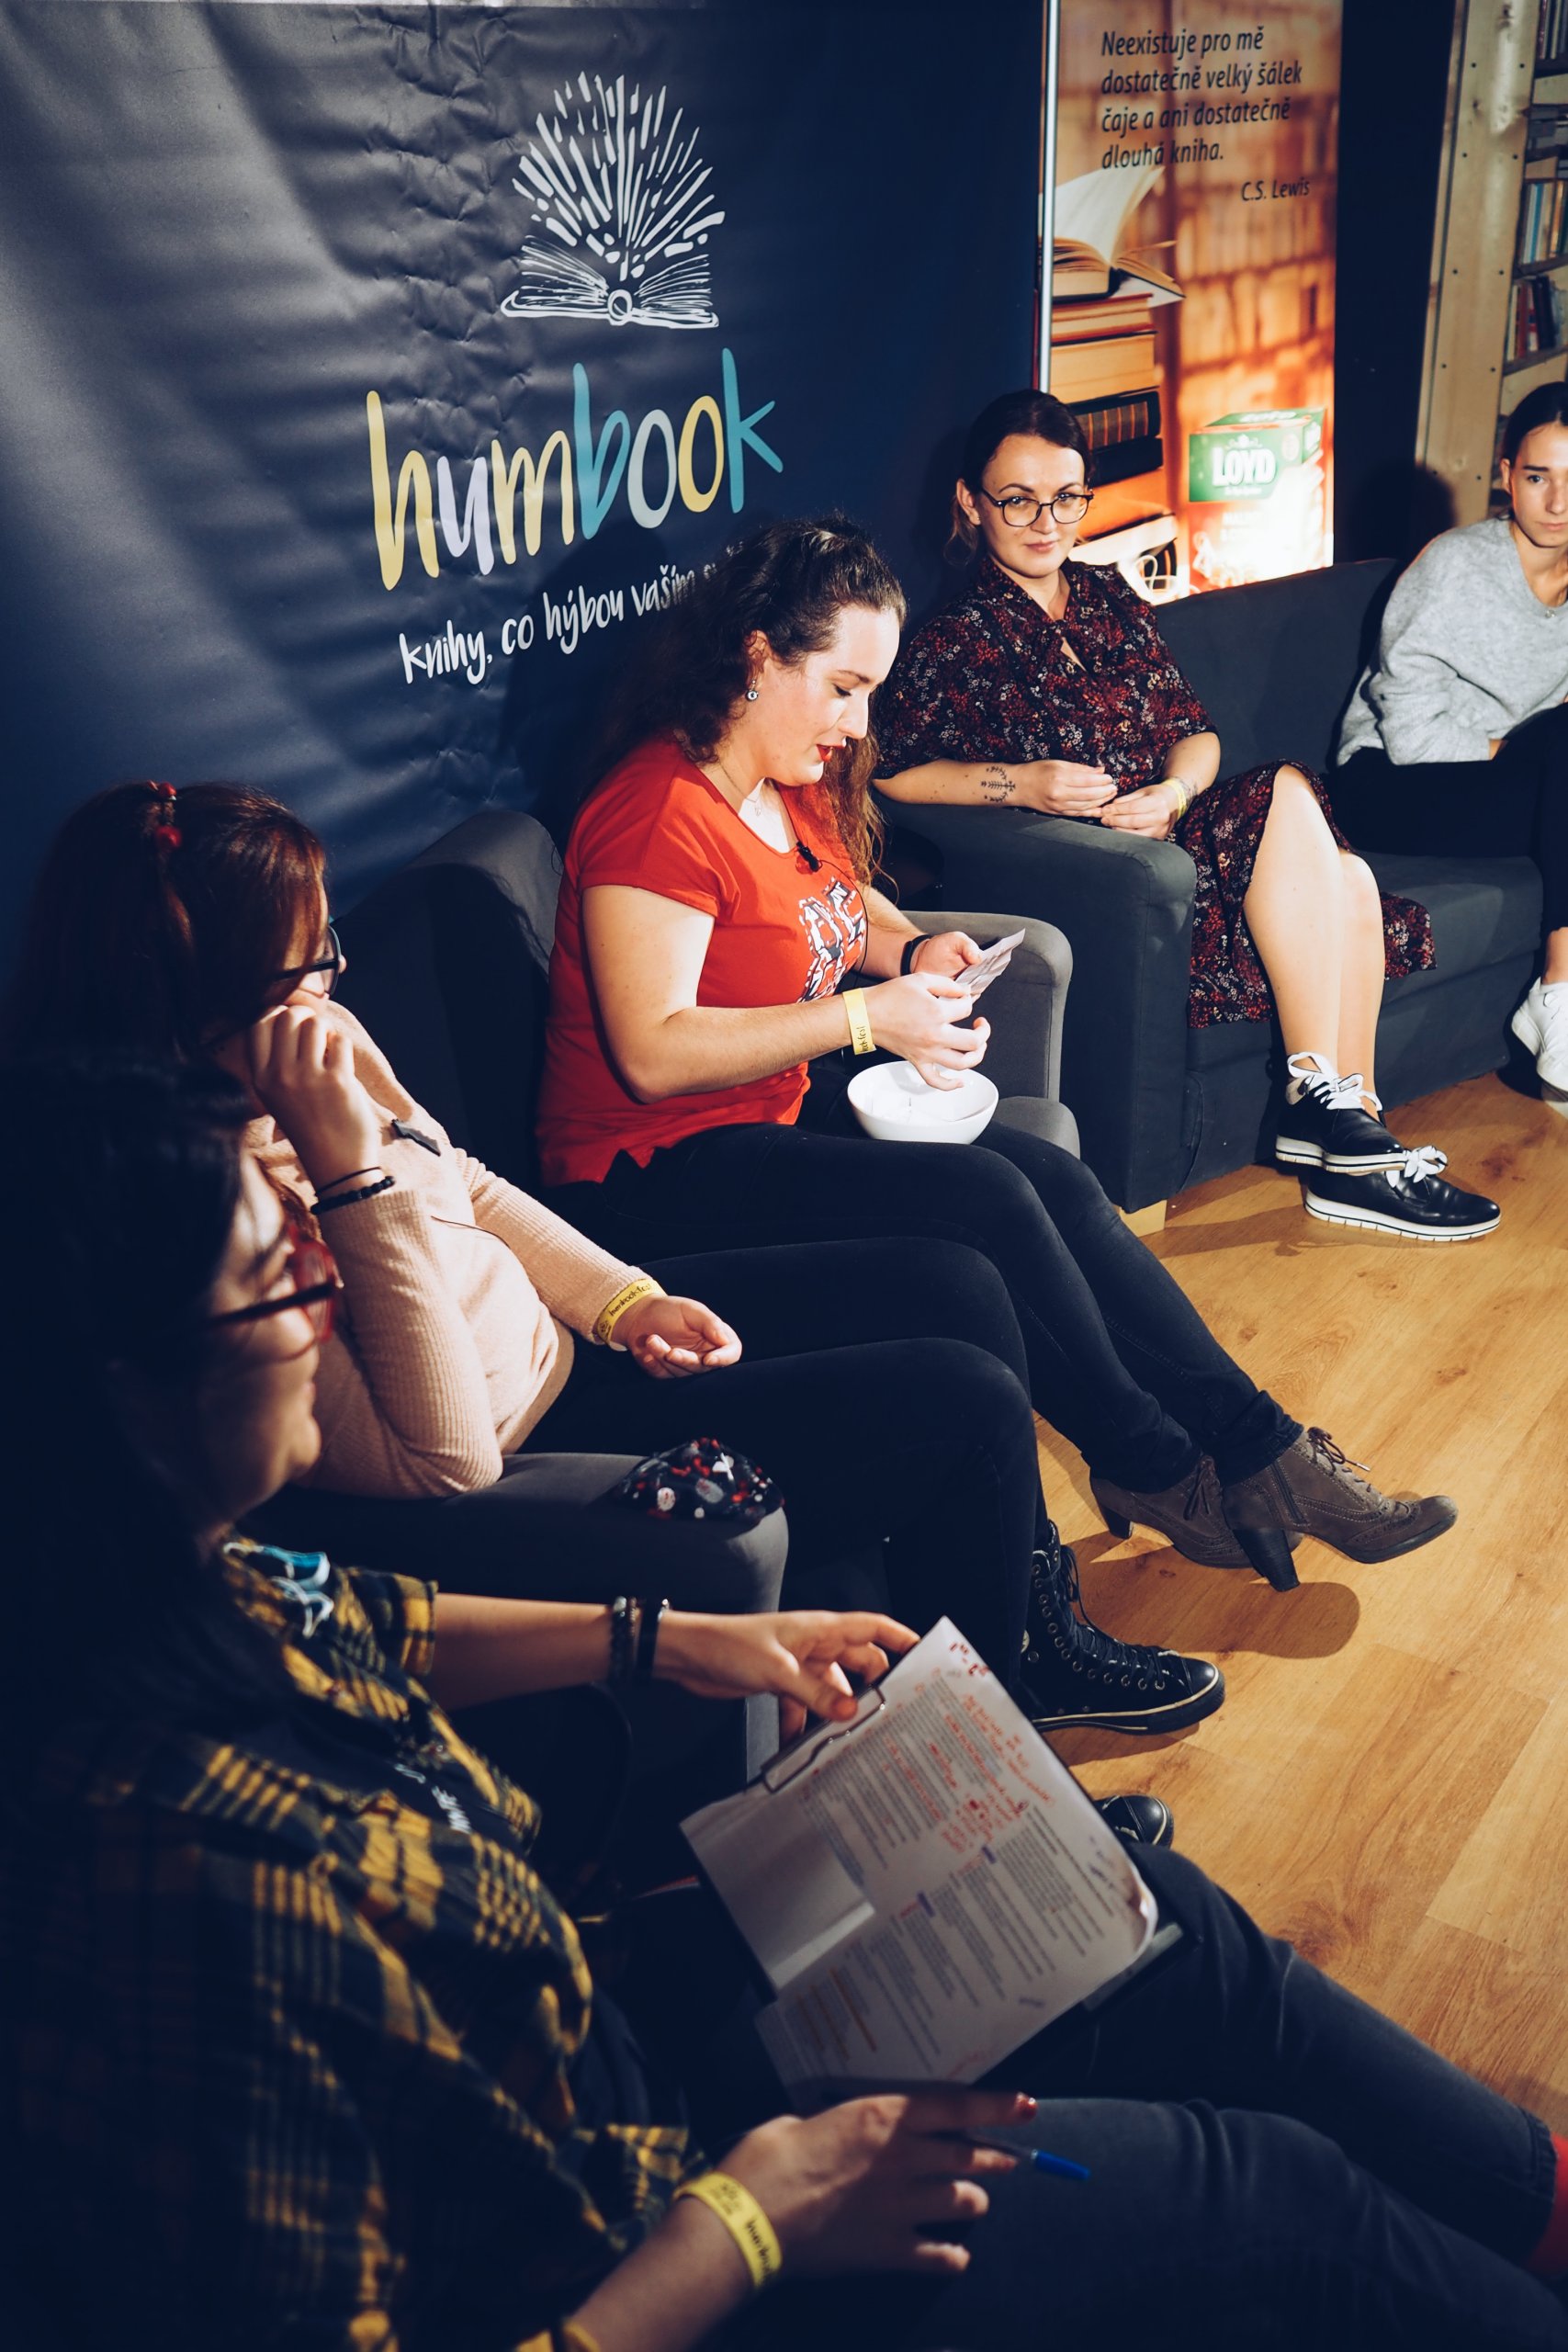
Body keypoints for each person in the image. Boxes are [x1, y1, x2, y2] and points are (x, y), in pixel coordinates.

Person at [7, 1050, 1568, 2352]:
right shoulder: (203, 1884)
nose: (328, 1296)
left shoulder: (185, 1582)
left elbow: (384, 1621)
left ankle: (1538, 2203)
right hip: (640, 2238)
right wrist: (750, 2218)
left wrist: (686, 1643)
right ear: (119, 1388)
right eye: (279, 1279)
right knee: (1265, 2199)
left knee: (1145, 1917)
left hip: (602, 2031)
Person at [4, 779, 1219, 1741]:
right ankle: (978, 1748)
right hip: (526, 1446)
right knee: (962, 1399)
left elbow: (470, 1183)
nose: (333, 983)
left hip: (570, 1351)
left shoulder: (314, 1042)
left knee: (954, 1277)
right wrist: (350, 1175)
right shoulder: (206, 1206)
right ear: (197, 1005)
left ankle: (1028, 1641)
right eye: (303, 965)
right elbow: (446, 1458)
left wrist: (622, 1300)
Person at [534, 513, 1457, 1587]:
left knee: (1053, 1178)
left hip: (761, 1114)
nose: (858, 722)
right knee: (988, 1201)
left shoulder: (783, 776)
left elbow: (840, 907)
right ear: (756, 657)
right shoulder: (657, 809)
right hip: (645, 1171)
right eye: (843, 687)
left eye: (870, 692)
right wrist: (869, 1020)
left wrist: (914, 948)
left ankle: (1259, 1449)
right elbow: (652, 1050)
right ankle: (1165, 1467)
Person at [872, 390, 1499, 1243]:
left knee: (1344, 870)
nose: (1045, 523)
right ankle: (1336, 1127)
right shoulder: (952, 637)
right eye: (1017, 500)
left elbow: (1195, 734)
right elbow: (896, 772)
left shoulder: (1106, 595)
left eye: (1065, 498)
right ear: (969, 501)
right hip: (1113, 887)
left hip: (1177, 838)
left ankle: (1348, 1141)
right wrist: (1020, 784)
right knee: (1296, 812)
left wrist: (1171, 794)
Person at [1335, 379, 1568, 1103]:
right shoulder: (1454, 565)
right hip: (1389, 784)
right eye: (1537, 477)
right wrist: (1518, 750)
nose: (1557, 503)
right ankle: (1558, 996)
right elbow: (1409, 735)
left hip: (1510, 777)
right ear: (1506, 476)